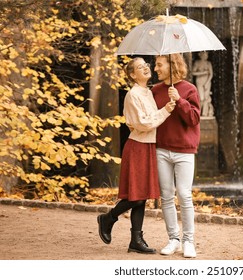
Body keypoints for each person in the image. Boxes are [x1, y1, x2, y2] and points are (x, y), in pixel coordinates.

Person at [97, 57, 176, 254]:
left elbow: (148, 120)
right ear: (133, 75)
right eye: (140, 67)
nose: (146, 68)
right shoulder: (133, 95)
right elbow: (143, 124)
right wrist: (165, 111)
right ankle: (108, 218)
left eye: (146, 65)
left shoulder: (148, 92)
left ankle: (135, 240)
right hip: (138, 146)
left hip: (148, 145)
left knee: (141, 198)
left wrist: (169, 103)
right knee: (137, 195)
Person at [151, 53, 201, 258]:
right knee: (166, 196)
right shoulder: (155, 90)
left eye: (159, 65)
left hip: (184, 151)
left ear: (172, 66)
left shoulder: (190, 89)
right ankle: (174, 239)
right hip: (161, 149)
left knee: (184, 194)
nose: (155, 69)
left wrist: (179, 100)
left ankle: (189, 241)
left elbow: (194, 119)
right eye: (155, 65)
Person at [191, 51, 214, 117]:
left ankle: (205, 113)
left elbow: (211, 74)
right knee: (201, 98)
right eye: (205, 54)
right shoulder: (197, 63)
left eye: (207, 54)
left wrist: (207, 83)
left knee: (206, 98)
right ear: (200, 55)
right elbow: (193, 73)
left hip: (207, 81)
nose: (206, 55)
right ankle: (199, 112)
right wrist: (203, 72)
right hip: (199, 81)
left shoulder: (208, 63)